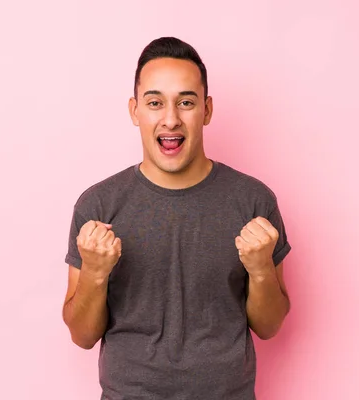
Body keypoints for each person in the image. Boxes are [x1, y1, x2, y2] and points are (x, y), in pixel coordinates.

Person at [62, 36, 292, 400]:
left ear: (207, 110)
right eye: (155, 103)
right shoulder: (97, 206)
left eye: (186, 102)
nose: (171, 119)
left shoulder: (254, 201)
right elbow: (82, 335)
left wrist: (262, 268)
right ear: (135, 111)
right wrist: (93, 272)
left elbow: (270, 326)